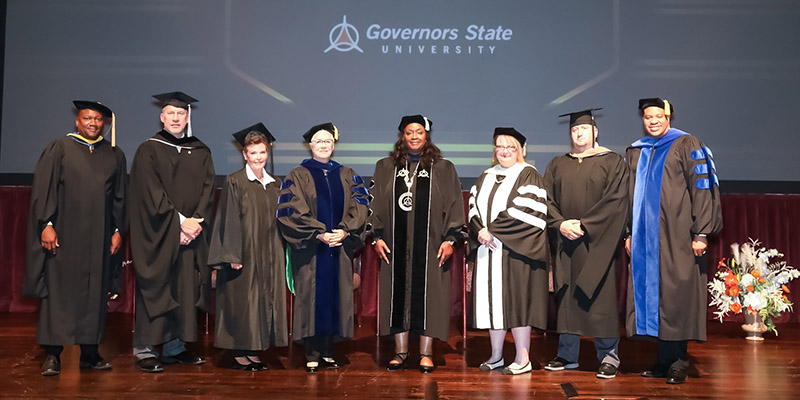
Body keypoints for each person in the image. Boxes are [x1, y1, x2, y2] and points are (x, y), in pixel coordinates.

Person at [24, 100, 126, 376]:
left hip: (100, 238)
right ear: (77, 121)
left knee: (94, 294)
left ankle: (89, 354)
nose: (93, 123)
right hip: (65, 236)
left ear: (103, 123)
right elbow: (44, 189)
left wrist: (117, 230)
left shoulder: (114, 155)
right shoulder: (60, 148)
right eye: (87, 118)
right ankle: (53, 355)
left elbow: (119, 197)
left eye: (98, 119)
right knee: (59, 294)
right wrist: (46, 223)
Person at [625, 98, 722, 384]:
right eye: (647, 116)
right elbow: (629, 197)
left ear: (668, 117)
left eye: (658, 116)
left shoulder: (687, 144)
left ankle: (679, 359)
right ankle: (664, 359)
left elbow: (704, 189)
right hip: (645, 238)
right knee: (654, 296)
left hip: (678, 236)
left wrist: (701, 232)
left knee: (676, 295)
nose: (653, 121)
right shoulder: (636, 150)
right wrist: (629, 233)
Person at [369, 115, 466, 373]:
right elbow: (374, 204)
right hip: (394, 247)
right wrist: (376, 237)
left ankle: (426, 353)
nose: (414, 137)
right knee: (396, 297)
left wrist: (451, 240)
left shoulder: (443, 168)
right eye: (409, 132)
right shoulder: (385, 167)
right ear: (402, 136)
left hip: (431, 247)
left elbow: (455, 205)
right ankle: (400, 352)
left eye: (419, 132)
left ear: (427, 136)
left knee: (430, 298)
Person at [129, 91, 215, 373]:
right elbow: (149, 192)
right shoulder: (149, 149)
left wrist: (196, 221)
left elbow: (207, 189)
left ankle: (175, 348)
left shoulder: (200, 150)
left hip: (192, 232)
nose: (176, 118)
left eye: (181, 114)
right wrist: (179, 222)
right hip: (159, 232)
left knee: (186, 288)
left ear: (187, 117)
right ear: (162, 117)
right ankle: (145, 349)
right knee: (158, 286)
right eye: (171, 113)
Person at [542, 109, 630, 379]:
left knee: (600, 297)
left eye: (583, 129)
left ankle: (608, 356)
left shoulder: (613, 162)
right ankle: (567, 355)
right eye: (574, 130)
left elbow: (616, 201)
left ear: (595, 131)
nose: (578, 133)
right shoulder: (558, 164)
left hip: (597, 242)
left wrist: (584, 224)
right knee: (566, 297)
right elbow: (545, 199)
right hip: (565, 241)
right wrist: (560, 224)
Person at [276, 123, 368, 373]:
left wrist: (345, 230)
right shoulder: (297, 175)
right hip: (311, 249)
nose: (324, 144)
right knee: (311, 297)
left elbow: (360, 208)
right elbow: (291, 211)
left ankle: (328, 351)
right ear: (310, 145)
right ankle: (312, 352)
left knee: (336, 297)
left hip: (339, 247)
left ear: (334, 145)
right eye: (319, 141)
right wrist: (319, 232)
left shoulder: (348, 174)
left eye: (328, 140)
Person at [467, 127, 549, 375]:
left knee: (517, 303)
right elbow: (472, 206)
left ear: (521, 150)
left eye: (510, 147)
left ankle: (523, 358)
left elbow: (528, 209)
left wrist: (493, 231)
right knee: (493, 304)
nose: (504, 151)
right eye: (499, 147)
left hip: (515, 253)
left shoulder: (528, 175)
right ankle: (496, 355)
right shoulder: (486, 175)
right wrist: (480, 229)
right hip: (487, 251)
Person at [208, 123, 287, 371]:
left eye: (262, 152)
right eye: (253, 153)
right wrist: (232, 253)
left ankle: (253, 349)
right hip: (243, 253)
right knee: (242, 301)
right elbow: (228, 219)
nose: (258, 158)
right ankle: (239, 352)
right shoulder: (235, 181)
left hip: (269, 252)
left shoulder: (275, 184)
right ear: (244, 155)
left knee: (262, 301)